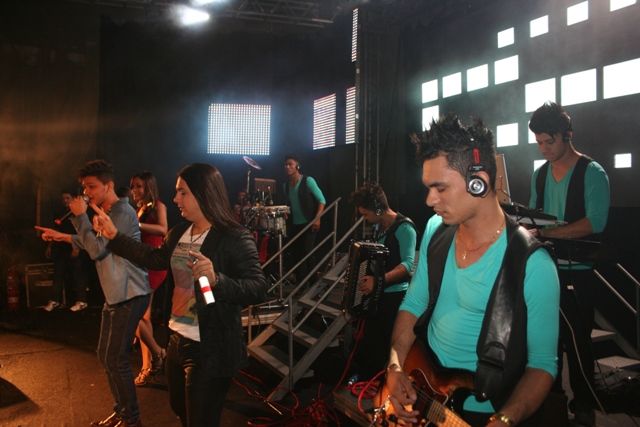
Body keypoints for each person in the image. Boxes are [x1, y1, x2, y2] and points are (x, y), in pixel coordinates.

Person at [384, 114, 560, 426]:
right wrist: (395, 366)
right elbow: (413, 304)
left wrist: (505, 418)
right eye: (428, 187)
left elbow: (542, 365)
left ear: (479, 182)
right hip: (423, 383)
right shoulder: (435, 229)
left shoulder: (534, 265)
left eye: (440, 188)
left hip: (483, 410)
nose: (429, 200)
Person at [92, 163, 267, 427]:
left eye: (182, 192)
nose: (175, 199)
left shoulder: (234, 237)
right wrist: (115, 236)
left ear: (203, 193)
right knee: (179, 408)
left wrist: (217, 280)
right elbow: (153, 258)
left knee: (200, 419)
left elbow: (258, 288)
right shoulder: (179, 232)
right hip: (176, 340)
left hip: (210, 346)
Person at [36, 160, 150, 427]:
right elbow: (95, 243)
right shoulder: (106, 211)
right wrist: (62, 236)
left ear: (108, 186)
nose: (86, 193)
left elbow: (98, 250)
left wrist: (79, 217)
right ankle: (122, 412)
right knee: (105, 355)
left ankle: (131, 419)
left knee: (116, 359)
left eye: (91, 187)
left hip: (130, 293)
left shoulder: (122, 212)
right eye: (84, 187)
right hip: (115, 294)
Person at [528, 102, 610, 427]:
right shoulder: (539, 175)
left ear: (567, 135)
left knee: (578, 345)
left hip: (579, 274)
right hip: (545, 270)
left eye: (549, 141)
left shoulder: (593, 172)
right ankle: (552, 405)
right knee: (546, 343)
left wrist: (547, 232)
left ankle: (584, 408)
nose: (544, 149)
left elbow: (595, 222)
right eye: (539, 142)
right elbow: (532, 218)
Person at [349, 183, 417, 380]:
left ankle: (381, 386)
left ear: (377, 209)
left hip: (395, 299)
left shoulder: (405, 228)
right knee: (372, 345)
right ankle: (367, 382)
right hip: (379, 296)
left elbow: (407, 265)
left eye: (366, 214)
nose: (365, 219)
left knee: (386, 347)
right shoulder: (379, 228)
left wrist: (377, 281)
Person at [129, 171, 169, 387]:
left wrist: (135, 225)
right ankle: (149, 366)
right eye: (133, 186)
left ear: (149, 187)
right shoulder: (140, 208)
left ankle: (157, 352)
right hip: (140, 264)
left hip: (153, 264)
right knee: (143, 317)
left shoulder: (158, 206)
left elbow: (163, 229)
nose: (134, 190)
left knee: (135, 315)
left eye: (139, 186)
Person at [42, 190, 90, 312]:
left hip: (74, 246)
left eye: (67, 198)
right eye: (63, 198)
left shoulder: (78, 213)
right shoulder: (59, 213)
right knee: (58, 274)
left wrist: (76, 248)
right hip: (60, 248)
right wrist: (50, 246)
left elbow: (81, 233)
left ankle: (81, 301)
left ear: (73, 199)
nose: (65, 201)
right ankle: (55, 301)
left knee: (77, 274)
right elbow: (55, 231)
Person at [283, 155, 326, 280]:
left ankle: (314, 283)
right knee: (296, 254)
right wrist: (286, 212)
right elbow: (289, 203)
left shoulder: (308, 180)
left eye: (290, 164)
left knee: (307, 252)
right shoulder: (286, 185)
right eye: (285, 164)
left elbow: (322, 200)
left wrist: (317, 218)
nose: (287, 167)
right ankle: (300, 284)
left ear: (297, 166)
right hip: (294, 224)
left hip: (309, 222)